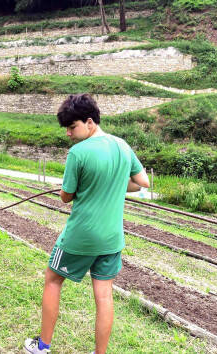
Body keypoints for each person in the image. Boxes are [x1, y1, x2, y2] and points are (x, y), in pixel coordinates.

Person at [24, 94, 150, 354]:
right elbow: (141, 182)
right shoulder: (123, 146)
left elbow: (66, 197)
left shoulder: (78, 153)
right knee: (103, 295)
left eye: (72, 127)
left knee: (52, 279)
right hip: (112, 238)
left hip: (81, 236)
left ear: (89, 122)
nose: (69, 134)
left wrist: (76, 187)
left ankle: (42, 346)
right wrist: (113, 183)